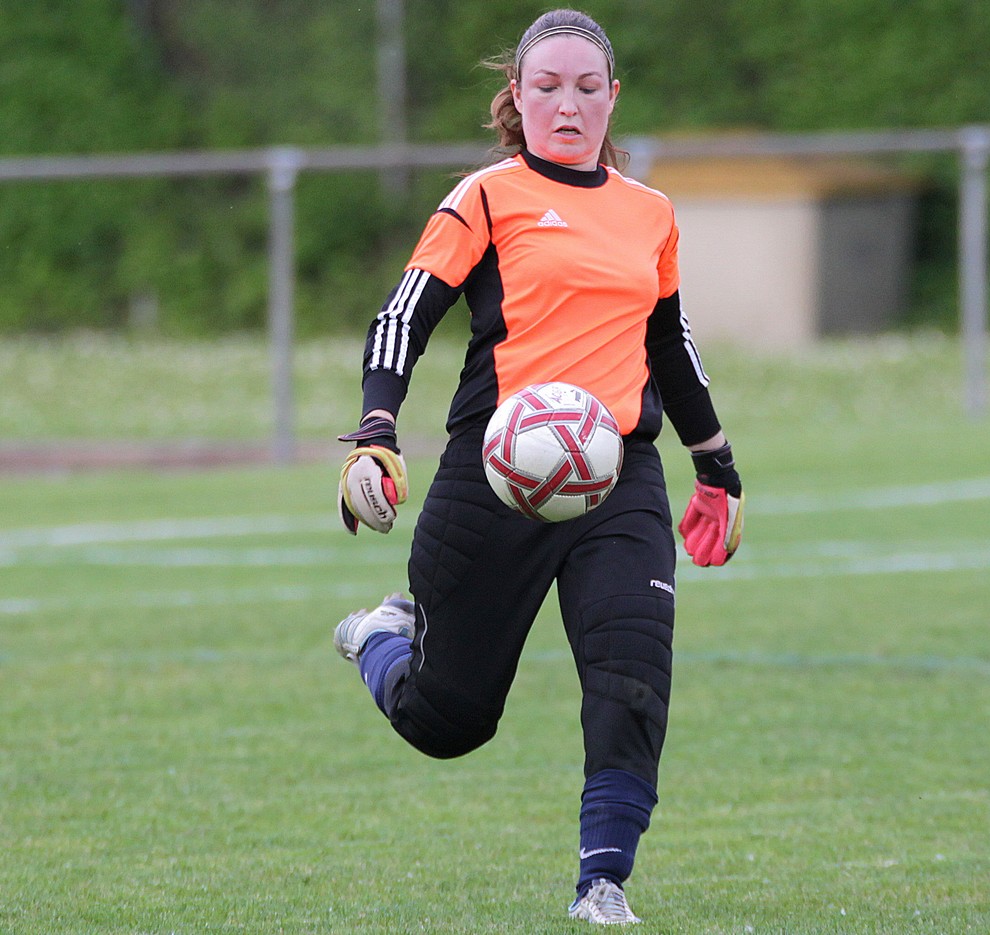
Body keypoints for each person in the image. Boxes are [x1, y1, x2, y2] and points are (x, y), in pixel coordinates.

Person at [333, 8, 744, 925]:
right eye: (546, 87)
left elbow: (669, 344)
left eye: (587, 88)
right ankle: (378, 638)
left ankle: (603, 883)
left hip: (619, 475)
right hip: (494, 474)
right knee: (450, 721)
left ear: (613, 100)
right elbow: (405, 315)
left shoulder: (651, 214)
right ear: (516, 98)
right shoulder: (486, 195)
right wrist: (376, 427)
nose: (568, 104)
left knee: (633, 669)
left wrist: (714, 462)